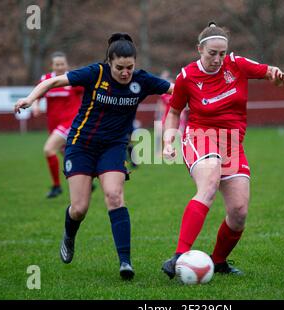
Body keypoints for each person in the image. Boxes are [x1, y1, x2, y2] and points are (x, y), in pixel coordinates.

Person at [15, 33, 173, 280]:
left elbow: (178, 89)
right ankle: (69, 235)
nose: (125, 72)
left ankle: (125, 263)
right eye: (119, 67)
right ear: (109, 62)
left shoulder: (142, 81)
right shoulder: (95, 73)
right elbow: (53, 82)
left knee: (114, 196)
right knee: (79, 208)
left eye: (129, 67)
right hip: (81, 145)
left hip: (113, 147)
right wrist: (30, 99)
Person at [161, 22, 284, 279]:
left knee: (239, 211)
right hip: (200, 136)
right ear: (199, 49)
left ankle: (218, 262)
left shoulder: (237, 64)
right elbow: (174, 112)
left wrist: (276, 75)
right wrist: (167, 141)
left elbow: (268, 71)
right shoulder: (187, 76)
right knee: (208, 184)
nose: (218, 59)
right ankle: (178, 255)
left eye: (222, 53)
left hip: (232, 142)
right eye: (212, 53)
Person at [32, 52, 84, 198]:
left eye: (63, 64)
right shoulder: (46, 79)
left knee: (49, 150)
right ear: (52, 66)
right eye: (57, 64)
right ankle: (84, 178)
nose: (60, 67)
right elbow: (38, 94)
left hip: (69, 122)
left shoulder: (72, 79)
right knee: (65, 152)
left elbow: (87, 91)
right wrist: (36, 106)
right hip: (53, 124)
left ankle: (57, 186)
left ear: (66, 65)